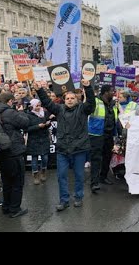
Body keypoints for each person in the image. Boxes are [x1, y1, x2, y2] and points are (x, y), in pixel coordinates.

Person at [34, 79, 95, 210]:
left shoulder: (83, 109)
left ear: (77, 99)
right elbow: (47, 103)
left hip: (79, 148)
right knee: (61, 176)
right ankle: (64, 200)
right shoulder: (59, 109)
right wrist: (39, 90)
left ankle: (78, 197)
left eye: (73, 98)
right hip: (63, 149)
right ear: (64, 99)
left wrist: (88, 88)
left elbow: (91, 102)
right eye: (67, 98)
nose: (70, 100)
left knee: (78, 175)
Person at [0, 92, 30, 218]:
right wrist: (21, 112)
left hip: (0, 151)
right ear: (10, 101)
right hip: (13, 150)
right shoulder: (10, 112)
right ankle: (15, 208)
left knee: (6, 181)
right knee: (17, 182)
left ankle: (6, 206)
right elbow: (25, 123)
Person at [26, 99, 51, 185]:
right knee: (34, 158)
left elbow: (48, 122)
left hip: (44, 138)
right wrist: (37, 126)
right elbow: (27, 129)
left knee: (45, 157)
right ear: (32, 106)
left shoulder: (44, 113)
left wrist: (48, 124)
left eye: (39, 105)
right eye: (36, 105)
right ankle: (35, 175)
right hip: (34, 139)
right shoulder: (28, 115)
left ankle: (43, 171)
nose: (38, 107)